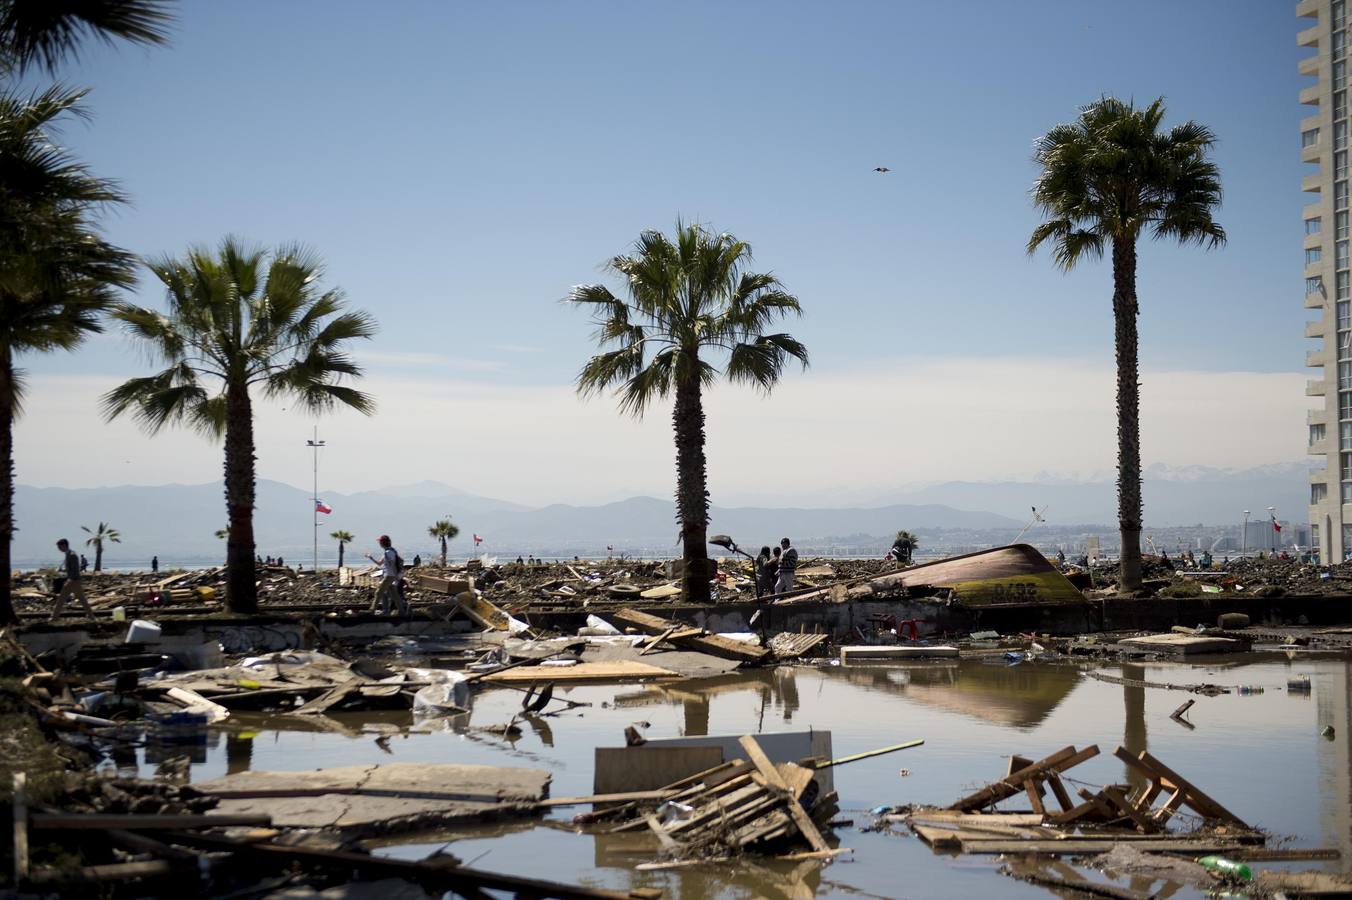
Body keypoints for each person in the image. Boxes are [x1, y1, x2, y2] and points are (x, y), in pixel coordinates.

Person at [52, 538, 93, 620]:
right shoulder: (68, 554)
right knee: (82, 599)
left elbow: (75, 570)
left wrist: (70, 580)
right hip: (74, 580)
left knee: (61, 599)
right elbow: (71, 569)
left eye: (59, 547)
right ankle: (91, 616)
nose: (59, 549)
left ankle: (54, 617)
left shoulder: (72, 555)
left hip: (73, 581)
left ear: (64, 545)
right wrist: (63, 570)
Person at [367, 536, 405, 616]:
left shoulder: (388, 553)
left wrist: (396, 576)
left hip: (389, 576)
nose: (379, 543)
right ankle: (402, 611)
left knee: (378, 592)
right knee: (394, 595)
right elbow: (380, 563)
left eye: (380, 542)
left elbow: (392, 564)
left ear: (382, 543)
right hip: (390, 576)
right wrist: (371, 558)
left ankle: (372, 611)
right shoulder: (387, 552)